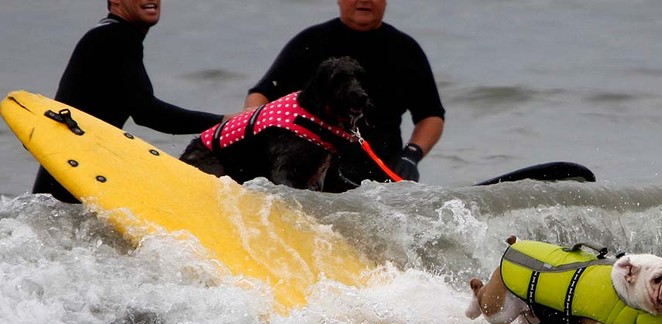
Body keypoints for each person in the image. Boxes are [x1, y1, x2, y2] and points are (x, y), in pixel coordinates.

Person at [33, 0, 230, 203]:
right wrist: (223, 121)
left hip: (68, 175)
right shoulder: (116, 37)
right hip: (73, 176)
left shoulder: (107, 34)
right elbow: (148, 113)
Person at [245, 0, 445, 192]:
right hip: (310, 169)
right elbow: (261, 94)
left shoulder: (405, 49)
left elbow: (431, 115)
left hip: (380, 176)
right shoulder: (311, 41)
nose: (364, 0)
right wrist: (252, 134)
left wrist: (412, 155)